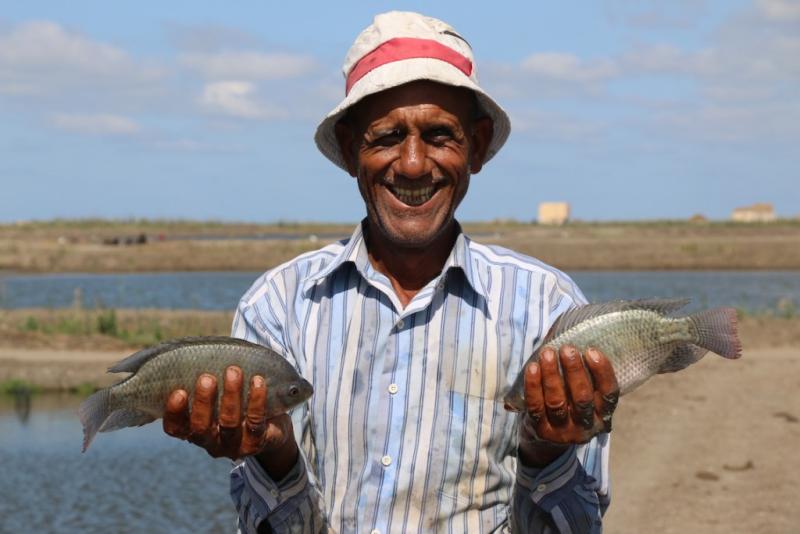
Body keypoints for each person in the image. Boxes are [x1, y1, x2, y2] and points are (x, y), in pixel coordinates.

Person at [162, 11, 618, 533]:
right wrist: (277, 458)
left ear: (477, 144)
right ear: (352, 146)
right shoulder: (278, 307)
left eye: (440, 135)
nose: (413, 164)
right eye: (386, 137)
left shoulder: (549, 308)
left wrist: (544, 454)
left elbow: (581, 524)